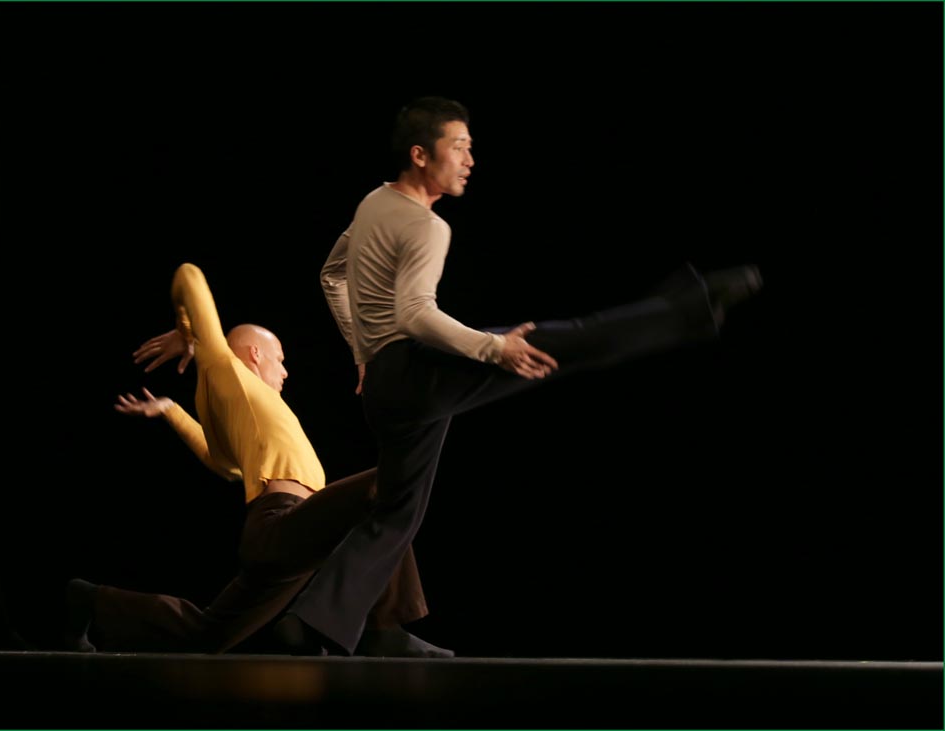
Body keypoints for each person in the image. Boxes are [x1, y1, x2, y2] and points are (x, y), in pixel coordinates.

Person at [272, 96, 763, 656]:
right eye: (459, 147)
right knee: (562, 342)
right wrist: (493, 349)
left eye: (470, 148)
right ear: (420, 154)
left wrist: (364, 352)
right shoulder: (426, 226)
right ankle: (693, 306)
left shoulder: (373, 202)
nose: (469, 159)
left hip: (387, 385)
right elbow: (415, 314)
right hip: (414, 372)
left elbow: (332, 274)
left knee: (396, 512)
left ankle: (324, 624)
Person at [63, 262, 451, 658]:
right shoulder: (227, 370)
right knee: (390, 484)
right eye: (279, 358)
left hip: (286, 539)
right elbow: (189, 275)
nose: (285, 371)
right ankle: (381, 627)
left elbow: (223, 465)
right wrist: (188, 332)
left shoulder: (239, 406)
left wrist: (172, 411)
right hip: (281, 522)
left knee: (206, 635)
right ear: (255, 354)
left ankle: (88, 599)